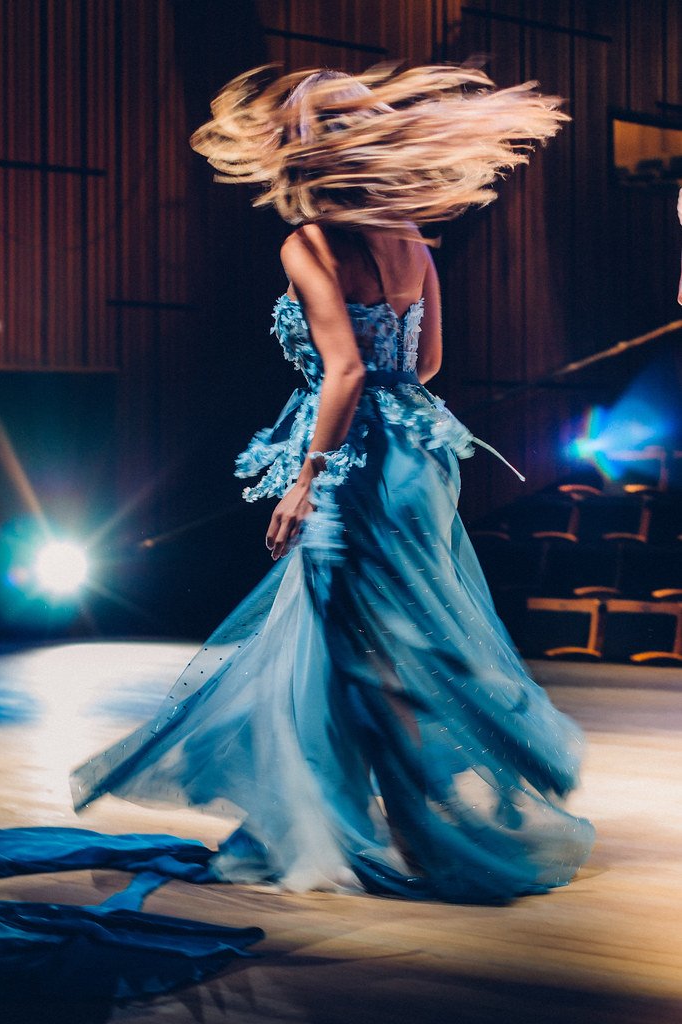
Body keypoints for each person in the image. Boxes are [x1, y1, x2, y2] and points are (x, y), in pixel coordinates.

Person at [71, 63, 595, 904]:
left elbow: (343, 371)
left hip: (353, 461)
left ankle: (403, 830)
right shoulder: (412, 238)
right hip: (419, 456)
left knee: (362, 649)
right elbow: (424, 364)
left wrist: (304, 478)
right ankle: (389, 811)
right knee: (397, 632)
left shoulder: (308, 243)